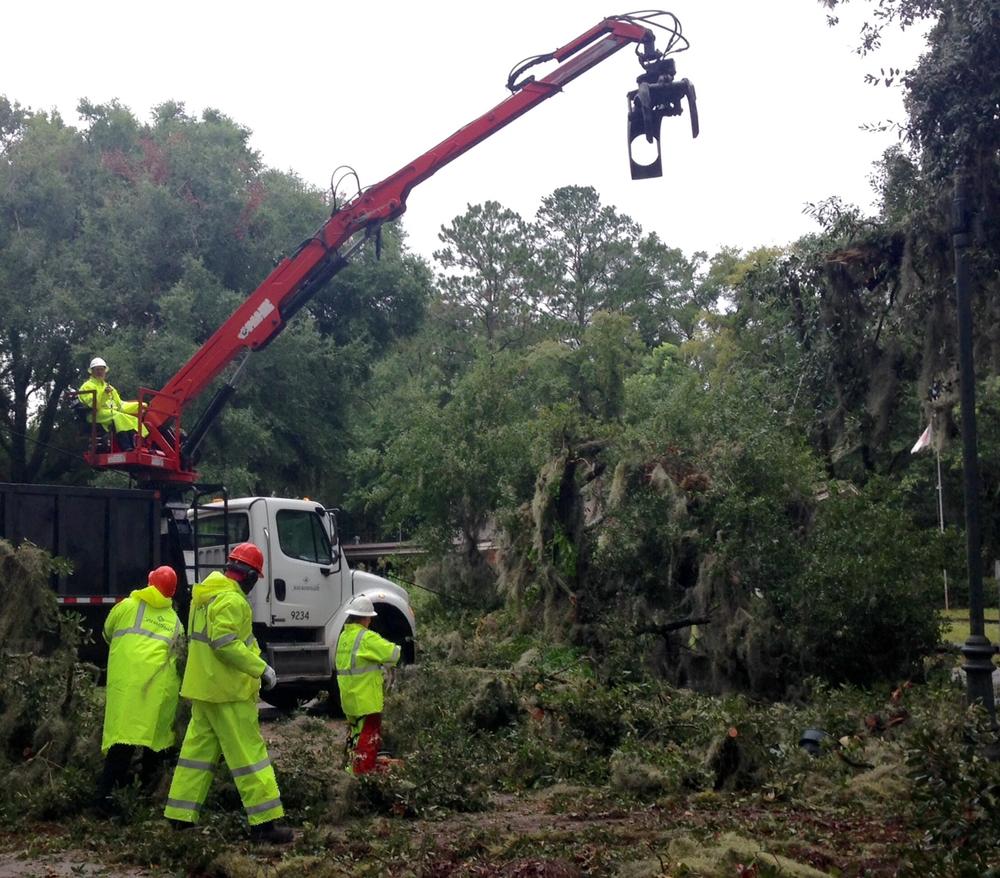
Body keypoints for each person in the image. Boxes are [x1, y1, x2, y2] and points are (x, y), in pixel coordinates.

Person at [163, 543, 292, 844]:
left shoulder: (204, 597)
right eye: (255, 577)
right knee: (250, 757)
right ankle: (265, 825)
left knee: (196, 756)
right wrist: (261, 669)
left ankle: (179, 818)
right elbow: (225, 644)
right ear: (248, 575)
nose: (254, 583)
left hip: (204, 690)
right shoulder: (232, 601)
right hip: (229, 692)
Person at [97, 565, 183, 814]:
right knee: (154, 746)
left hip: (127, 687)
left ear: (149, 583)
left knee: (121, 745)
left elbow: (106, 633)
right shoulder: (175, 622)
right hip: (158, 692)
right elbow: (180, 654)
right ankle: (146, 798)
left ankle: (105, 802)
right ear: (171, 593)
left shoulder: (126, 607)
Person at [335, 595, 402, 775]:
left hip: (349, 699)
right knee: (368, 739)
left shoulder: (344, 637)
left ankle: (351, 772)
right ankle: (361, 778)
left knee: (355, 738)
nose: (370, 621)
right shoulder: (366, 638)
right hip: (366, 700)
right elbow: (393, 653)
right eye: (369, 618)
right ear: (365, 618)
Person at [76, 357, 145, 450]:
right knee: (118, 416)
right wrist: (104, 394)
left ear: (105, 371)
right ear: (92, 371)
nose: (100, 372)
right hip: (94, 414)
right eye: (97, 370)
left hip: (108, 413)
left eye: (102, 369)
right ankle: (126, 446)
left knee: (131, 418)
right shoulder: (87, 386)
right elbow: (94, 405)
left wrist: (139, 405)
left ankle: (138, 444)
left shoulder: (109, 387)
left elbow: (120, 405)